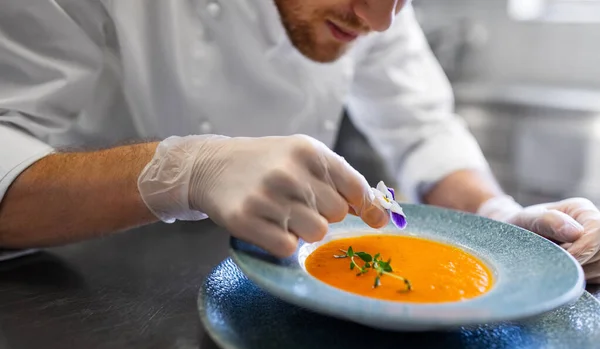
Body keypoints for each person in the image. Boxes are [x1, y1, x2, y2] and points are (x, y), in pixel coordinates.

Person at [0, 0, 598, 282]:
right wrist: (185, 171)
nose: (381, 20)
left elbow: (423, 130)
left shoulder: (374, 9)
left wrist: (500, 218)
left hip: (272, 290)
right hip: (71, 285)